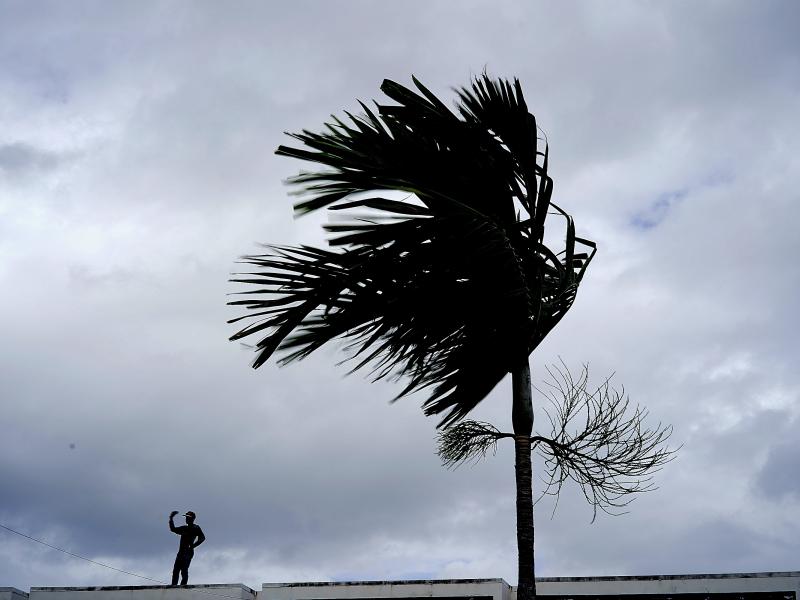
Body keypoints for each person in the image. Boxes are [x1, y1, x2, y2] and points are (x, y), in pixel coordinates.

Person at [168, 510, 205, 586]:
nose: (186, 519)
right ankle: (174, 586)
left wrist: (193, 546)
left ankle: (183, 586)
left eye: (188, 517)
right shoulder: (184, 528)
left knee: (184, 570)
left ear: (192, 519)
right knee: (176, 571)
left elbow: (202, 538)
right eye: (186, 517)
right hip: (181, 552)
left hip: (188, 552)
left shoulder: (196, 528)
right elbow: (173, 529)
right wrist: (171, 519)